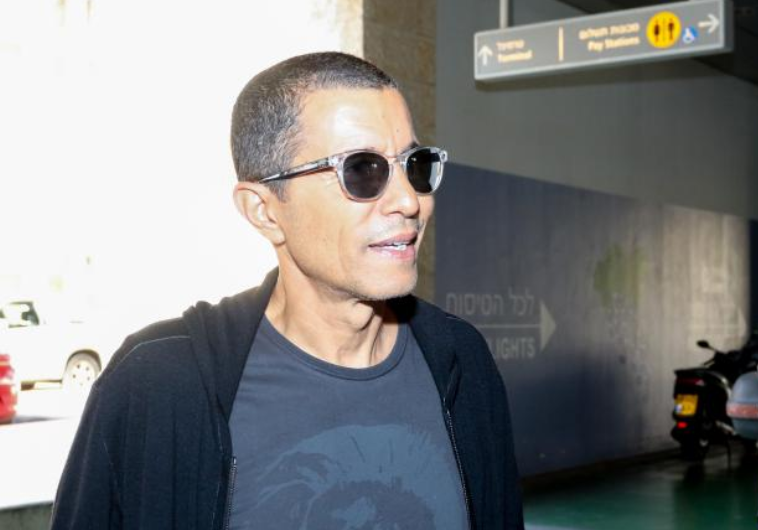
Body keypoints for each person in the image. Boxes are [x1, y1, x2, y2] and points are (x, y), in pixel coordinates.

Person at [50, 52, 524, 530]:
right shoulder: (160, 384)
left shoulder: (461, 361)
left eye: (415, 166)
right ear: (263, 210)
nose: (409, 201)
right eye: (362, 170)